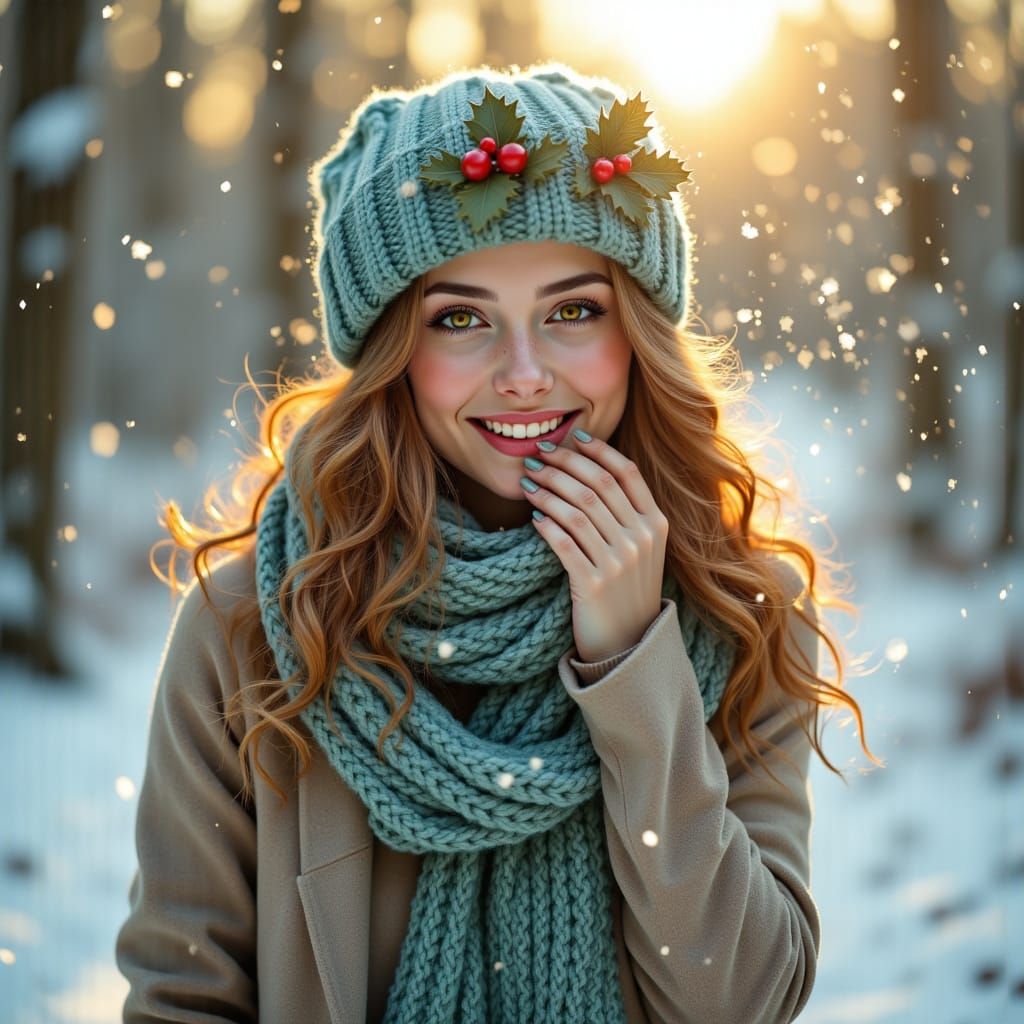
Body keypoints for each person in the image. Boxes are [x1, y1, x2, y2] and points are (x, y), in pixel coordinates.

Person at [115, 62, 880, 1023]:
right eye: (461, 319)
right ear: (396, 352)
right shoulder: (258, 625)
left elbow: (742, 998)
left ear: (636, 333)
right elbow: (183, 997)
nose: (525, 376)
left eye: (572, 311)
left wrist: (634, 664)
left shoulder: (739, 606)